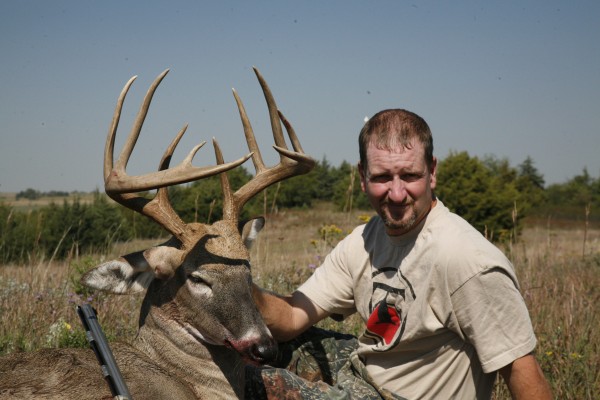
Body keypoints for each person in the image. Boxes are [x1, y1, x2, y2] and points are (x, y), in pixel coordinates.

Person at [248, 109, 552, 399]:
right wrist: (230, 283)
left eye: (409, 175)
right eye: (381, 177)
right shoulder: (365, 241)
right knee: (251, 347)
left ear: (431, 172)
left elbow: (521, 367)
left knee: (254, 384)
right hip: (365, 378)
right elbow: (290, 317)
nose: (396, 193)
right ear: (362, 175)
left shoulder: (467, 259)